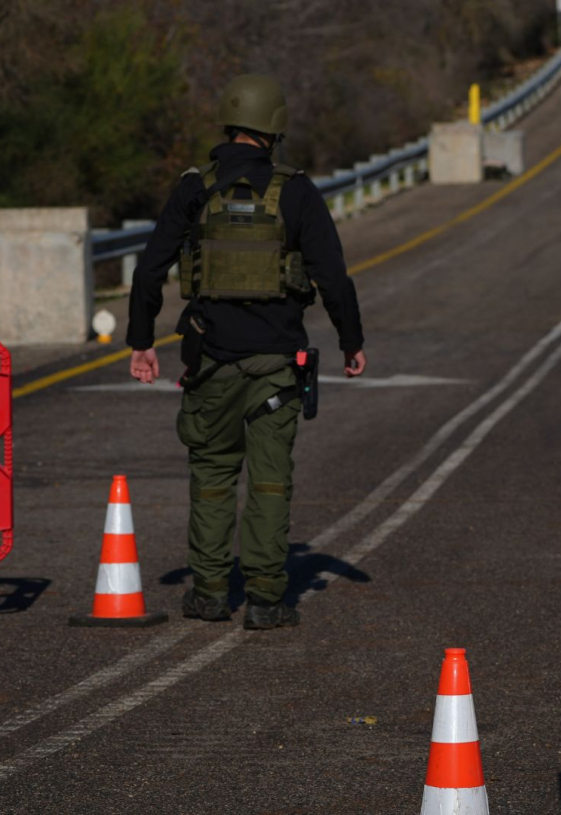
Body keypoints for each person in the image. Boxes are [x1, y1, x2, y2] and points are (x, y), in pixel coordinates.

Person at [126, 74, 366, 629]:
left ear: (230, 124)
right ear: (275, 129)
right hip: (277, 367)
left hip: (209, 360)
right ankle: (265, 599)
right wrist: (352, 342)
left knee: (211, 474)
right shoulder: (297, 191)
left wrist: (142, 341)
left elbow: (148, 271)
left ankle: (208, 593)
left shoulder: (194, 187)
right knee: (269, 480)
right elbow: (334, 277)